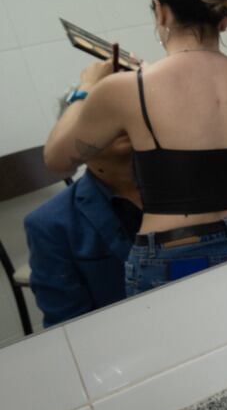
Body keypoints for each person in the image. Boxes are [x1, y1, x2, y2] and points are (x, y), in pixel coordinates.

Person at [44, 0, 227, 297]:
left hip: (178, 257)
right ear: (224, 18)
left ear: (160, 10)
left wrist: (86, 88)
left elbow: (56, 160)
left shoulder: (127, 90)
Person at [24, 132, 142, 326]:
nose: (117, 123)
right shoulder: (50, 224)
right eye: (101, 114)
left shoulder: (189, 184)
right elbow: (67, 325)